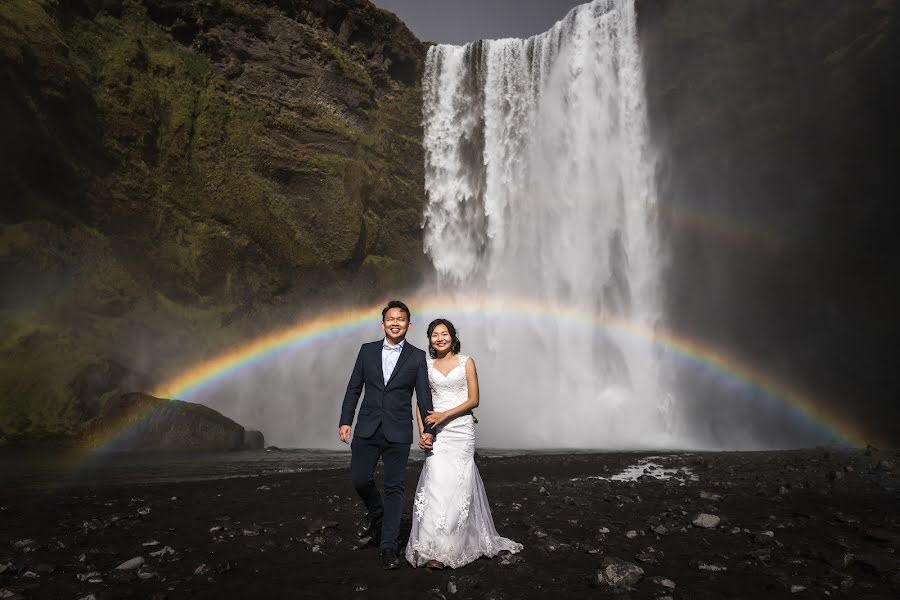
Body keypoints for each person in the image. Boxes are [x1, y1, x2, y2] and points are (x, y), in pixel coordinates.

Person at [405, 318, 522, 569]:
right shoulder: (425, 366)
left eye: (444, 334)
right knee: (435, 484)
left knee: (458, 486)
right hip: (436, 432)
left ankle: (448, 549)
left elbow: (474, 399)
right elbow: (420, 403)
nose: (440, 338)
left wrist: (444, 415)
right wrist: (424, 431)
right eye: (434, 335)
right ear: (429, 340)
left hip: (460, 430)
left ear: (452, 336)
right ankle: (427, 546)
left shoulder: (466, 362)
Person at [339, 300, 436, 570]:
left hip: (398, 430)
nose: (395, 323)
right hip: (367, 427)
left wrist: (428, 429)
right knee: (360, 479)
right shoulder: (367, 351)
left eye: (401, 319)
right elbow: (353, 388)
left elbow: (423, 396)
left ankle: (389, 547)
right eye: (390, 319)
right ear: (382, 324)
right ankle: (377, 512)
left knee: (395, 488)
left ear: (409, 324)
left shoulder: (417, 357)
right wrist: (345, 420)